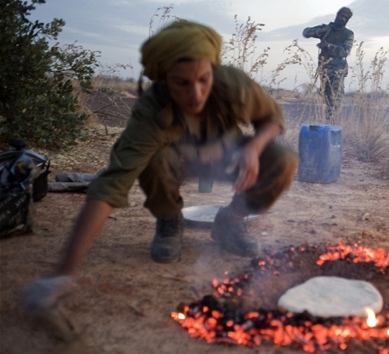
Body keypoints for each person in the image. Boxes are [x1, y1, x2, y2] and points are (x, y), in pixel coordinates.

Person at [23, 20, 298, 318]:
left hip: (228, 156)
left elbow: (273, 118)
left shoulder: (231, 84)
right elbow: (112, 183)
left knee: (284, 160)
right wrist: (63, 272)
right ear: (164, 79)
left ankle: (229, 221)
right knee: (155, 160)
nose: (196, 93)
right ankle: (169, 220)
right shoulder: (151, 111)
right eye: (182, 83)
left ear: (212, 71)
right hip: (175, 163)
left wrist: (253, 149)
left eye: (204, 79)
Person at [303, 7, 354, 122]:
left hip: (338, 71)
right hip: (324, 70)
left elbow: (345, 51)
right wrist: (320, 31)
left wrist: (328, 46)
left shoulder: (348, 34)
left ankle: (332, 124)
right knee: (325, 99)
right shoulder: (327, 29)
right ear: (337, 15)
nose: (343, 18)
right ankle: (327, 124)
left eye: (346, 17)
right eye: (341, 15)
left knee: (334, 100)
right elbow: (305, 32)